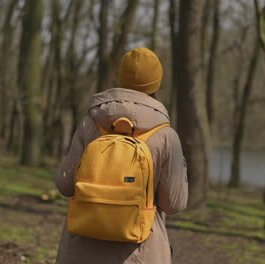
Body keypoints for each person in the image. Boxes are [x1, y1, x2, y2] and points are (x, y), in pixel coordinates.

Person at [55, 47, 188, 264]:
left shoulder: (91, 123)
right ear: (157, 82)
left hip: (81, 249)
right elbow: (174, 203)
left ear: (122, 78)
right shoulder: (166, 136)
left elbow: (64, 184)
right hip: (140, 252)